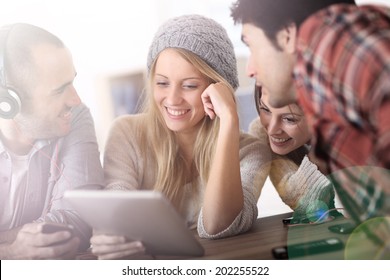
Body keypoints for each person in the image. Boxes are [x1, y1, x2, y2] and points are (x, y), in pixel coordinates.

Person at [90, 14, 270, 260]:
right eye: (162, 83)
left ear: (219, 88)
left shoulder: (251, 151)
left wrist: (229, 119)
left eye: (189, 85)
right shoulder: (126, 133)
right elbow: (117, 207)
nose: (173, 99)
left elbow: (219, 227)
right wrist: (111, 234)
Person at [231, 0, 390, 252]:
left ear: (287, 34)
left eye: (251, 44)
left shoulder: (339, 45)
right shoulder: (320, 92)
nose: (250, 69)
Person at [0, 23, 104, 259]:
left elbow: (80, 219)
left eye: (72, 81)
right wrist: (11, 252)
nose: (75, 100)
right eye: (59, 91)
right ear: (8, 101)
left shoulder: (75, 117)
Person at [249, 86, 341, 222]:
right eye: (266, 110)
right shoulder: (261, 131)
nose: (272, 130)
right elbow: (301, 200)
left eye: (290, 119)